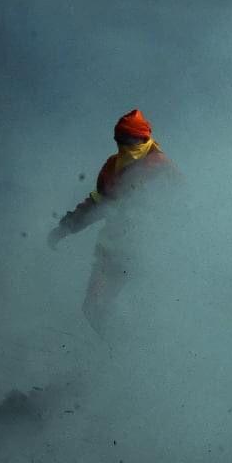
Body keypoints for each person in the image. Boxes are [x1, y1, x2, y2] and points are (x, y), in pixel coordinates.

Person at [48, 108, 180, 334]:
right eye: (121, 139)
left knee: (152, 312)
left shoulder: (161, 166)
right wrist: (66, 227)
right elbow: (97, 203)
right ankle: (119, 353)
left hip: (151, 253)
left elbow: (185, 205)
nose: (126, 144)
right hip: (113, 250)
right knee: (93, 307)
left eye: (131, 139)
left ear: (144, 138)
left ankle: (145, 355)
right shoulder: (111, 167)